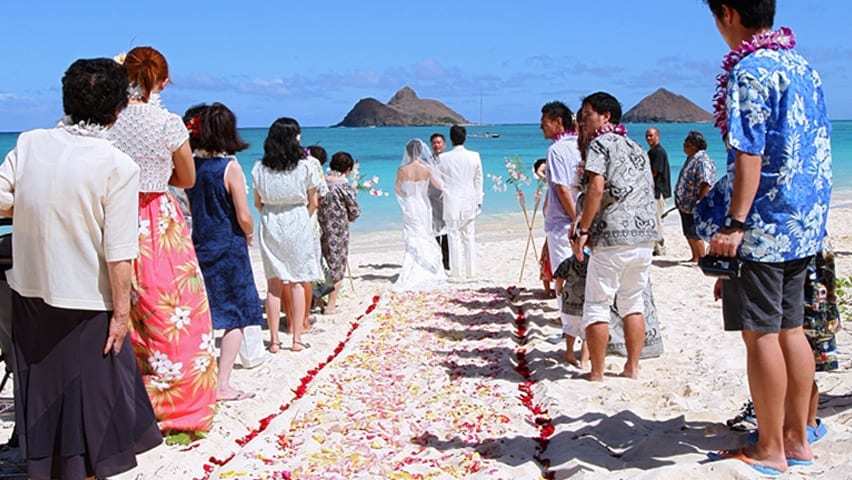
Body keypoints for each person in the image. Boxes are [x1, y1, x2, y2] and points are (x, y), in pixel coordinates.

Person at [0, 58, 161, 479]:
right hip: (88, 301)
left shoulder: (31, 142)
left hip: (29, 292)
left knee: (44, 394)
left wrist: (40, 209)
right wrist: (124, 313)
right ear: (118, 109)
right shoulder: (118, 166)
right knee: (91, 410)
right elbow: (119, 250)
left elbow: (1, 199)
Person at [696, 0, 832, 474]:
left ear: (729, 13)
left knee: (761, 337)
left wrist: (733, 223)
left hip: (764, 226)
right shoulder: (803, 66)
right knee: (792, 330)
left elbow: (748, 153)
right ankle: (798, 436)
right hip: (803, 222)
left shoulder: (749, 70)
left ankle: (771, 447)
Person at [107, 46, 217, 434]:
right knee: (176, 315)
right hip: (156, 219)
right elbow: (186, 178)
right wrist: (157, 176)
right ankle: (179, 408)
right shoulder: (168, 123)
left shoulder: (108, 120)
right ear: (163, 80)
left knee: (125, 311)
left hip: (111, 216)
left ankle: (127, 403)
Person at [571, 92, 658, 382]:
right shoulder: (635, 146)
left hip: (613, 234)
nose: (584, 120)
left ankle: (596, 372)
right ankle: (632, 366)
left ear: (606, 117)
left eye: (588, 115)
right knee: (633, 301)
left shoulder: (599, 143)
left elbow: (596, 188)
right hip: (645, 234)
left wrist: (583, 229)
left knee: (597, 302)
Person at [184, 103, 263, 401]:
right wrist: (250, 233)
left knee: (204, 313)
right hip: (228, 245)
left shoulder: (192, 167)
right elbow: (242, 214)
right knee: (236, 314)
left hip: (200, 242)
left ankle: (199, 378)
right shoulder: (229, 167)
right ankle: (222, 383)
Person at [253, 118, 323, 353]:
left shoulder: (259, 168)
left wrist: (271, 213)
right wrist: (302, 216)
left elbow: (258, 203)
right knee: (297, 280)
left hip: (270, 221)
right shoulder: (305, 167)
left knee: (273, 283)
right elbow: (314, 202)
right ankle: (296, 338)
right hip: (297, 220)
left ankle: (274, 341)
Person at [539, 101, 583, 364]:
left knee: (564, 279)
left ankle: (568, 330)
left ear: (557, 121)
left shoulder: (555, 150)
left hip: (564, 224)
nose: (540, 125)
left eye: (544, 120)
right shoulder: (581, 145)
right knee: (581, 278)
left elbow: (562, 188)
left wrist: (575, 219)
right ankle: (578, 332)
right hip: (580, 221)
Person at [394, 139, 448, 291]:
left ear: (408, 152)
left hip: (411, 205)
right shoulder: (427, 169)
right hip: (424, 205)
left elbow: (398, 190)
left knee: (413, 235)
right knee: (426, 234)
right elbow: (439, 186)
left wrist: (408, 194)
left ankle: (413, 265)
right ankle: (430, 266)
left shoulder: (402, 170)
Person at [318, 152, 361, 313]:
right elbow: (354, 210)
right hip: (337, 229)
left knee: (320, 261)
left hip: (318, 225)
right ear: (348, 169)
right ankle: (331, 304)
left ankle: (317, 299)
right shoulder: (343, 186)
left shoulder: (321, 181)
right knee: (336, 264)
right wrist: (349, 217)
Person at [438, 126, 483, 280]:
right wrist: (479, 200)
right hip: (469, 200)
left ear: (451, 139)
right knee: (469, 237)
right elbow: (478, 180)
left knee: (453, 237)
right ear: (465, 138)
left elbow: (440, 180)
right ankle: (471, 272)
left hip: (451, 201)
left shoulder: (443, 158)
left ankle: (456, 273)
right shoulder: (474, 156)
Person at [674, 131, 716, 263]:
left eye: (686, 143)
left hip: (694, 204)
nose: (684, 145)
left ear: (694, 145)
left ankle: (701, 258)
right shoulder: (692, 158)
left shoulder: (702, 160)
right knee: (688, 231)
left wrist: (700, 202)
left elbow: (706, 182)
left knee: (695, 232)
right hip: (685, 204)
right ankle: (695, 256)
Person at [645, 128, 671, 256]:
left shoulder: (658, 152)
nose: (648, 138)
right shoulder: (653, 152)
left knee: (657, 220)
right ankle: (655, 247)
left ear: (657, 136)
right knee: (654, 219)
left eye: (651, 136)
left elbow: (654, 172)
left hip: (657, 191)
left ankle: (660, 248)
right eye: (647, 136)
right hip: (653, 191)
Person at [533, 158, 555, 298]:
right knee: (547, 254)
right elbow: (539, 170)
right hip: (553, 218)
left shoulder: (553, 181)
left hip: (555, 217)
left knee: (548, 254)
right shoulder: (553, 181)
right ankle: (548, 289)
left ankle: (549, 289)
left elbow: (540, 170)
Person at [430, 133, 450, 270]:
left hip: (446, 198)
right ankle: (437, 260)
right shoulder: (427, 160)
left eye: (439, 142)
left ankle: (447, 261)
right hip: (431, 198)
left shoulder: (448, 159)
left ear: (444, 144)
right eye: (434, 143)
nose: (437, 145)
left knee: (447, 230)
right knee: (434, 230)